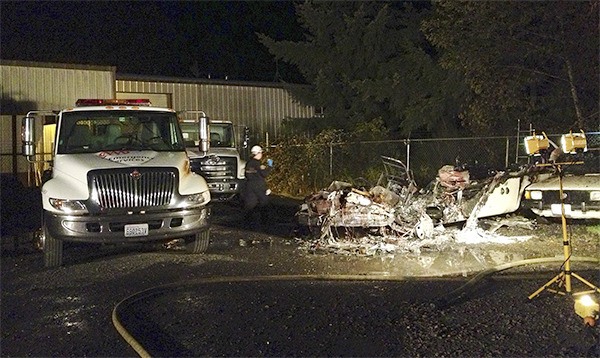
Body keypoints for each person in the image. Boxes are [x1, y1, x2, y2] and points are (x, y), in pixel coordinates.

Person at [242, 145, 273, 230]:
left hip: (249, 185)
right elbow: (264, 174)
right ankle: (265, 223)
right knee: (264, 203)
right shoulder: (257, 164)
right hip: (259, 185)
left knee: (250, 204)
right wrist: (270, 167)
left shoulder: (248, 163)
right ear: (258, 153)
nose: (262, 154)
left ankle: (247, 223)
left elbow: (246, 174)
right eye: (261, 153)